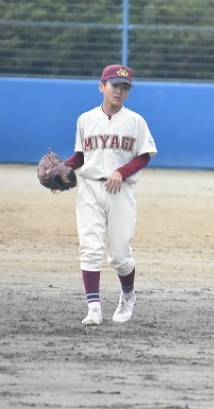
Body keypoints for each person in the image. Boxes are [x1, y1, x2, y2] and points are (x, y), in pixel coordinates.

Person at [63, 64, 157, 326]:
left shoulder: (135, 121)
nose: (120, 91)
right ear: (101, 86)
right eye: (115, 85)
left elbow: (144, 155)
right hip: (89, 188)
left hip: (120, 191)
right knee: (90, 249)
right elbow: (81, 156)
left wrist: (121, 172)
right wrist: (65, 167)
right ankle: (93, 308)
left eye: (125, 87)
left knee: (120, 256)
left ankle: (128, 296)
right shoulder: (85, 119)